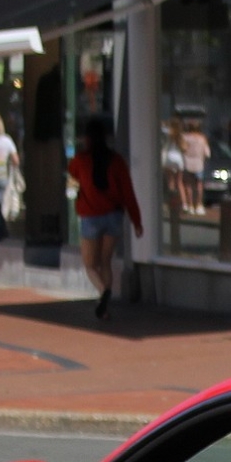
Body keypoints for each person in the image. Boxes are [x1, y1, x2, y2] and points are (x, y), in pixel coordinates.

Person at [68, 114, 143, 321]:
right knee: (105, 262)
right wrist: (136, 220)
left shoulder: (80, 161)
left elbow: (72, 175)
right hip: (113, 216)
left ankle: (103, 292)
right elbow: (128, 193)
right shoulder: (117, 161)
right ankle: (105, 307)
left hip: (91, 216)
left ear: (87, 138)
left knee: (90, 265)